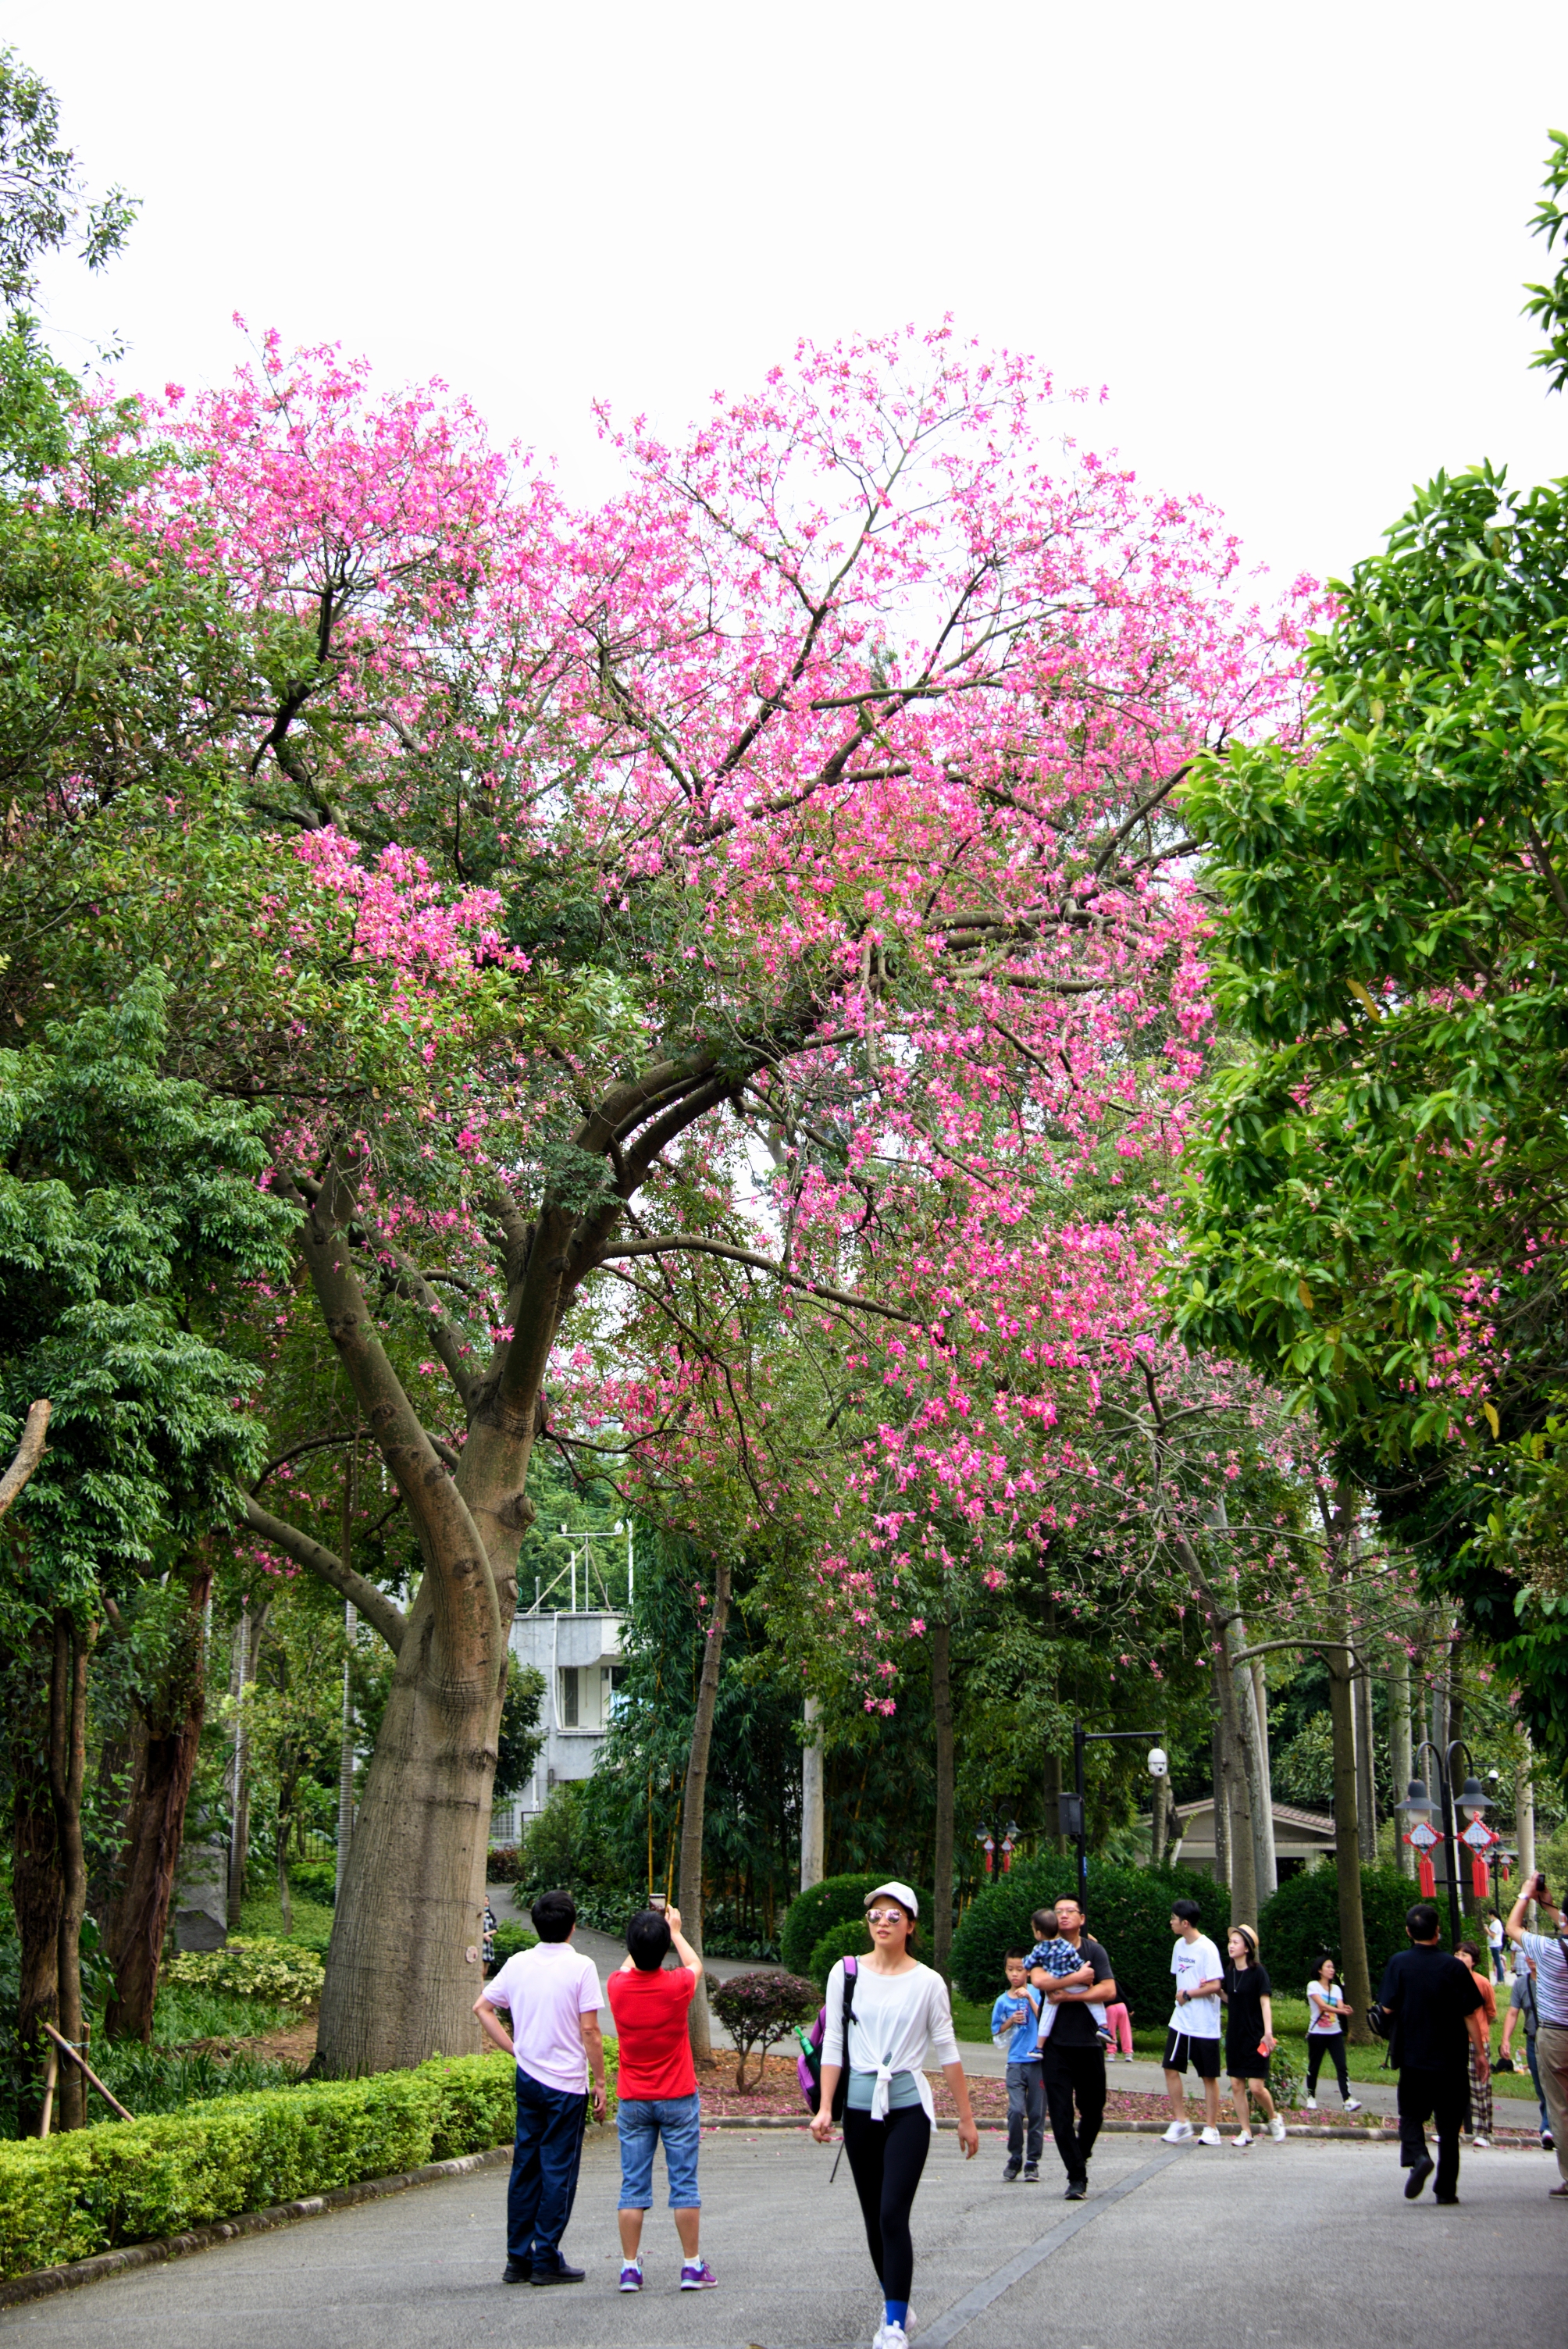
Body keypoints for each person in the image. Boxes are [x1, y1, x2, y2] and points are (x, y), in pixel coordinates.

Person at [811, 1880, 978, 2349]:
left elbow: (947, 2050)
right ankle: (896, 2301)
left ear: (910, 1925)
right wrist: (826, 2108)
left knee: (891, 2214)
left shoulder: (927, 1982)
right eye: (875, 1916)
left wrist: (965, 2117)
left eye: (892, 1916)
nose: (882, 1923)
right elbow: (835, 2047)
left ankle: (894, 2326)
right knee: (871, 2216)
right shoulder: (845, 1974)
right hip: (860, 2110)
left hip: (908, 2109)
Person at [473, 1886, 607, 2286]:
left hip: (528, 2078)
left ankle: (518, 2258)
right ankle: (546, 2256)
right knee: (558, 2169)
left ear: (535, 1923)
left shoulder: (516, 1963)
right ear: (573, 1926)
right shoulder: (581, 1966)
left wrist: (515, 2050)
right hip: (566, 2084)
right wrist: (600, 2080)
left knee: (525, 2166)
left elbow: (482, 2007)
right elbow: (590, 2030)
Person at [606, 1903, 715, 2292]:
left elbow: (626, 1966)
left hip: (634, 2098)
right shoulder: (677, 1985)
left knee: (632, 2185)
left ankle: (630, 2269)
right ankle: (691, 2266)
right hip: (678, 2095)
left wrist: (648, 1933)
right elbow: (695, 1964)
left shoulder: (617, 1987)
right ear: (664, 1948)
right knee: (684, 2182)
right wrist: (675, 1930)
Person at [1376, 1900, 1488, 2204]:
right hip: (1450, 2059)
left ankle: (1419, 2155)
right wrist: (1479, 2053)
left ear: (1408, 1932)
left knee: (1410, 2116)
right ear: (1438, 1932)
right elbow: (1469, 2013)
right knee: (1449, 2128)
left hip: (1413, 2057)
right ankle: (1446, 2191)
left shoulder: (1399, 1963)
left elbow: (1386, 2007)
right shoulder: (1454, 1966)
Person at [1030, 1891, 1117, 2198]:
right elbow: (1040, 1982)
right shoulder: (1041, 1950)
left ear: (1081, 1919)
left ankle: (1080, 2155)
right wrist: (1078, 1978)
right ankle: (1076, 2177)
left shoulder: (1095, 1950)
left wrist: (1069, 1996)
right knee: (1061, 2114)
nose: (1064, 1915)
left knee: (1093, 2111)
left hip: (1090, 2044)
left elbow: (1108, 1989)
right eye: (1058, 1911)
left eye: (1070, 1911)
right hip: (1055, 2046)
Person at [1505, 1870, 1568, 2196]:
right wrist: (1551, 1908)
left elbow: (1512, 1928)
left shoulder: (1549, 1950)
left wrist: (1527, 1893)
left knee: (1560, 2107)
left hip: (1556, 2036)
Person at [1161, 1898, 1225, 2146]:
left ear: (1185, 1923)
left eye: (1174, 1919)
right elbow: (1182, 1977)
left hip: (1204, 2023)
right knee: (1170, 2068)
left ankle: (1211, 2128)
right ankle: (1181, 2122)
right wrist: (1183, 1995)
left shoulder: (1207, 1948)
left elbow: (1215, 1985)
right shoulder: (1179, 1946)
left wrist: (1188, 1994)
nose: (1171, 1922)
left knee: (1208, 2076)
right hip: (1181, 2020)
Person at [1222, 1924, 1285, 2148]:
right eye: (1231, 1942)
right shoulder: (1228, 1972)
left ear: (1247, 1948)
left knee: (1257, 2087)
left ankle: (1274, 2117)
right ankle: (1246, 2132)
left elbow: (1264, 2002)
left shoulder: (1259, 1972)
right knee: (1237, 2085)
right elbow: (1232, 1998)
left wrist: (1268, 2033)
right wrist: (1214, 1990)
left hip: (1257, 2037)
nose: (1231, 1945)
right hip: (1235, 2037)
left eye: (1236, 1942)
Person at [1024, 1906, 1111, 2049]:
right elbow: (1076, 1961)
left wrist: (1025, 1963)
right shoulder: (1066, 1945)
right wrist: (1082, 1975)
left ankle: (1039, 2046)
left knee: (1047, 2012)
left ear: (1039, 1934)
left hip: (1054, 1983)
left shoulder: (1039, 1948)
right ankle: (1104, 2026)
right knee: (1093, 2001)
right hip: (1073, 1980)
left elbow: (1029, 1964)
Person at [990, 1951, 1044, 2181]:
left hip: (1038, 2061)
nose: (1015, 1974)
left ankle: (1032, 2161)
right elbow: (996, 2032)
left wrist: (1030, 1999)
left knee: (1036, 2113)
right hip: (1015, 2062)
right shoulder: (1003, 2001)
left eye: (1020, 1969)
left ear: (1029, 1971)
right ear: (1005, 1971)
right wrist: (1011, 2021)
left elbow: (1045, 2018)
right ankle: (1014, 2156)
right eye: (1011, 1969)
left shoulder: (1037, 1992)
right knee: (1015, 2110)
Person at [1500, 1949, 1552, 2148]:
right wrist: (1505, 2039)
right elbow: (1513, 2013)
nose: (1531, 1959)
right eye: (1528, 1956)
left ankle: (1548, 2128)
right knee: (1541, 2085)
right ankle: (1550, 2128)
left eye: (1535, 1955)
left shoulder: (1556, 1978)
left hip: (1557, 2038)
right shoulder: (1522, 1983)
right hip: (1533, 2039)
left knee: (1555, 2085)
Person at [1303, 1956, 1363, 2112]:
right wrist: (1341, 2011)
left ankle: (1347, 2099)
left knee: (1341, 2065)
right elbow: (1322, 2007)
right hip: (1317, 2033)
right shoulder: (1313, 1986)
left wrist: (1346, 2009)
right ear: (1320, 1970)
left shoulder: (1336, 1989)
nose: (1332, 1970)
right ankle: (1311, 2097)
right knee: (1314, 2066)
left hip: (1334, 2033)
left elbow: (1340, 2005)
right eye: (1328, 1967)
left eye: (1333, 1967)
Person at [1455, 1942, 1497, 2149]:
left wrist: (1481, 2033)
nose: (1461, 1958)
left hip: (1477, 2041)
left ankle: (1485, 2132)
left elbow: (1490, 2012)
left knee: (1480, 2087)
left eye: (1465, 1955)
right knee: (1453, 2086)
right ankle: (1453, 2129)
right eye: (1457, 1954)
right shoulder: (1448, 1979)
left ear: (1474, 1960)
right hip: (1453, 2039)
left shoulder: (1482, 1982)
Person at [1102, 1996, 1135, 2061]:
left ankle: (1111, 2053)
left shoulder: (1097, 1986)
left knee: (1111, 2030)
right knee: (1126, 2030)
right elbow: (1122, 1994)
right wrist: (1130, 2009)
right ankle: (1128, 2053)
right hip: (1121, 2006)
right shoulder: (1114, 1985)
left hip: (1109, 2007)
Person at [1487, 1910, 1507, 1985]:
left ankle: (1500, 1980)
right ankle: (1500, 1979)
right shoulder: (1497, 1923)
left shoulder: (1495, 1924)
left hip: (1495, 1945)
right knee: (1497, 1962)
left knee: (1498, 1963)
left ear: (1492, 1915)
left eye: (1488, 1915)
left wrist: (1487, 1930)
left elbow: (1493, 1936)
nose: (1488, 1917)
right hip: (1496, 1945)